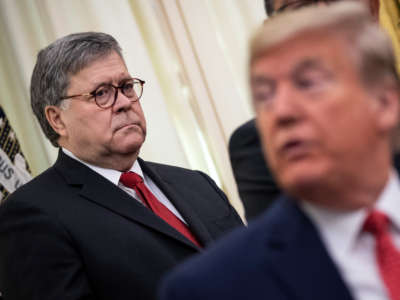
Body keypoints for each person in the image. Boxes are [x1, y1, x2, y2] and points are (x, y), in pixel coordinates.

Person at [160, 2, 400, 300]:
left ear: (385, 102)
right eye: (264, 95)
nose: (281, 112)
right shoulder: (207, 289)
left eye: (308, 83)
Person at [0, 32, 243, 300]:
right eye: (101, 93)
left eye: (127, 86)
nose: (125, 102)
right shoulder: (32, 215)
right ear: (57, 119)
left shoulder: (197, 182)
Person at [229, 0, 383, 221]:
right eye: (301, 8)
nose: (323, 19)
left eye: (338, 3)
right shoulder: (264, 144)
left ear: (373, 9)